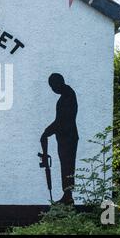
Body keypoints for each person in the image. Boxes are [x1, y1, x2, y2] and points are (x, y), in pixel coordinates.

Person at [41, 73, 79, 205]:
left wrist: (47, 131)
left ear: (59, 82)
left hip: (68, 137)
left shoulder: (67, 96)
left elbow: (62, 120)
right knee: (66, 165)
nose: (53, 89)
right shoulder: (66, 95)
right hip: (65, 137)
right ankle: (67, 194)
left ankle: (68, 195)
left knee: (67, 165)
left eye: (53, 86)